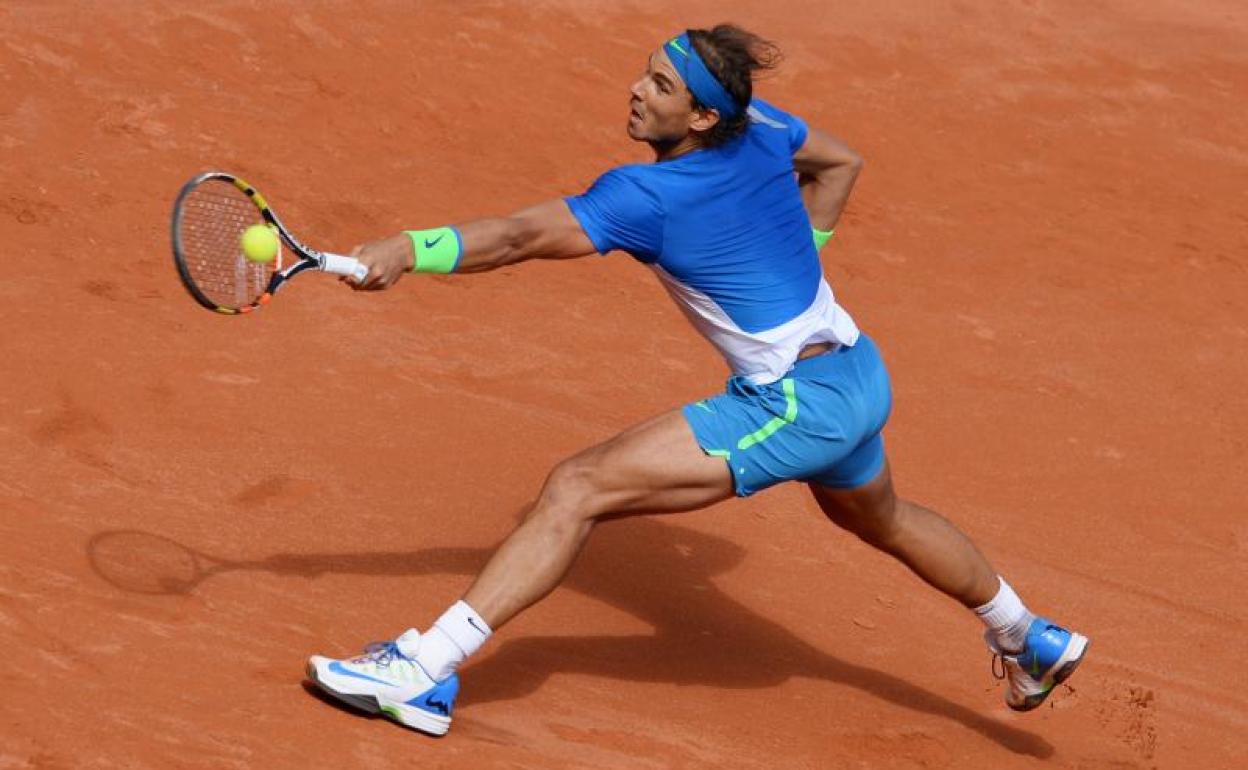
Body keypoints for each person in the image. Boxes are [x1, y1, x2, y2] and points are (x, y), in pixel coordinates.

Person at [305, 25, 1088, 737]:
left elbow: (515, 238)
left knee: (577, 487)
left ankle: (422, 670)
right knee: (881, 519)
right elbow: (841, 162)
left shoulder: (644, 195)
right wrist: (803, 248)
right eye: (644, 76)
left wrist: (410, 248)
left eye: (661, 88)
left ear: (704, 116)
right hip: (856, 371)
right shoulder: (766, 130)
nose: (638, 92)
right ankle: (1026, 634)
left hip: (793, 404)